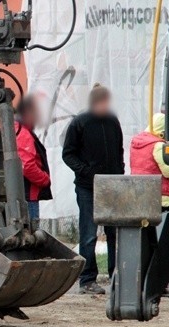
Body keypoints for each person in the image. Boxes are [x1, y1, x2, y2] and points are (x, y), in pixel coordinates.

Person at [63, 83, 124, 295]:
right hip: (87, 187)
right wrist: (85, 172)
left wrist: (120, 174)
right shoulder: (79, 123)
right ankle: (87, 280)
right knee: (89, 234)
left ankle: (116, 277)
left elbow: (119, 150)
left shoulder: (112, 121)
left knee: (114, 232)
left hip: (111, 186)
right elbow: (68, 154)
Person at [15, 95, 52, 219]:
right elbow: (27, 166)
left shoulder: (17, 129)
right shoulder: (23, 133)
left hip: (22, 193)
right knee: (31, 233)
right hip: (28, 195)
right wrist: (45, 179)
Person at [130, 113, 169, 211]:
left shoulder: (136, 142)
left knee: (146, 224)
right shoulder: (158, 145)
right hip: (160, 196)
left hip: (140, 193)